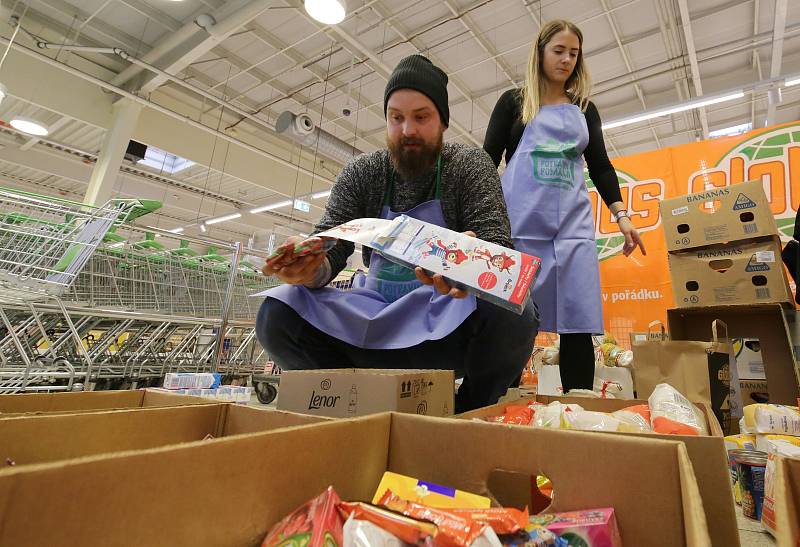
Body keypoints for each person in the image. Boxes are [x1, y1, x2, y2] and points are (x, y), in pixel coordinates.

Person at [257, 54, 539, 413]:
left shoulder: (469, 166)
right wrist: (308, 268)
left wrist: (472, 264)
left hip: (443, 324)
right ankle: (353, 404)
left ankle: (466, 414)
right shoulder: (362, 172)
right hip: (373, 321)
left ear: (443, 122)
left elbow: (499, 251)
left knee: (517, 309)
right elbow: (329, 249)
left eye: (421, 117)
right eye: (396, 118)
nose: (407, 130)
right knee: (276, 314)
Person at [483, 20, 645, 393]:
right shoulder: (514, 102)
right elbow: (487, 162)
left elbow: (601, 166)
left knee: (578, 322)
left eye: (574, 53)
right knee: (512, 323)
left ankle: (579, 408)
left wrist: (623, 216)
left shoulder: (584, 109)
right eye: (559, 51)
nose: (567, 59)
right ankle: (501, 403)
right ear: (539, 51)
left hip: (572, 232)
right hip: (520, 230)